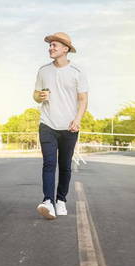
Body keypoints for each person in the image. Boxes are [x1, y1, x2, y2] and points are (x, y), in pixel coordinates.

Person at [33, 32, 88, 220]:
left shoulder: (77, 73)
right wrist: (38, 96)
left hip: (69, 127)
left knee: (64, 166)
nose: (51, 48)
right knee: (49, 163)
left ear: (65, 49)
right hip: (47, 124)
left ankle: (61, 200)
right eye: (50, 45)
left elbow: (83, 99)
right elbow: (35, 94)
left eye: (54, 45)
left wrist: (78, 119)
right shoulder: (43, 71)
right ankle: (48, 201)